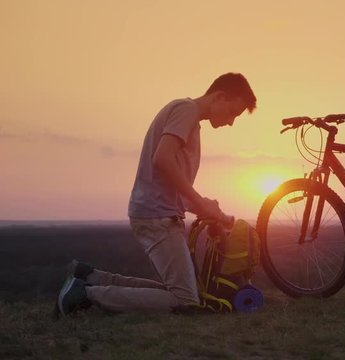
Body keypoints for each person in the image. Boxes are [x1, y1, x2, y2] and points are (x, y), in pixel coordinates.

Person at [55, 72, 257, 316]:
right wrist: (199, 200)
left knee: (177, 290)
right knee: (184, 298)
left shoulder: (188, 117)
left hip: (155, 212)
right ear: (220, 96)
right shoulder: (187, 110)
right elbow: (162, 159)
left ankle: (89, 277)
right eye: (232, 112)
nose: (231, 122)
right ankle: (86, 295)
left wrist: (204, 207)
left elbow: (170, 180)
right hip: (158, 217)